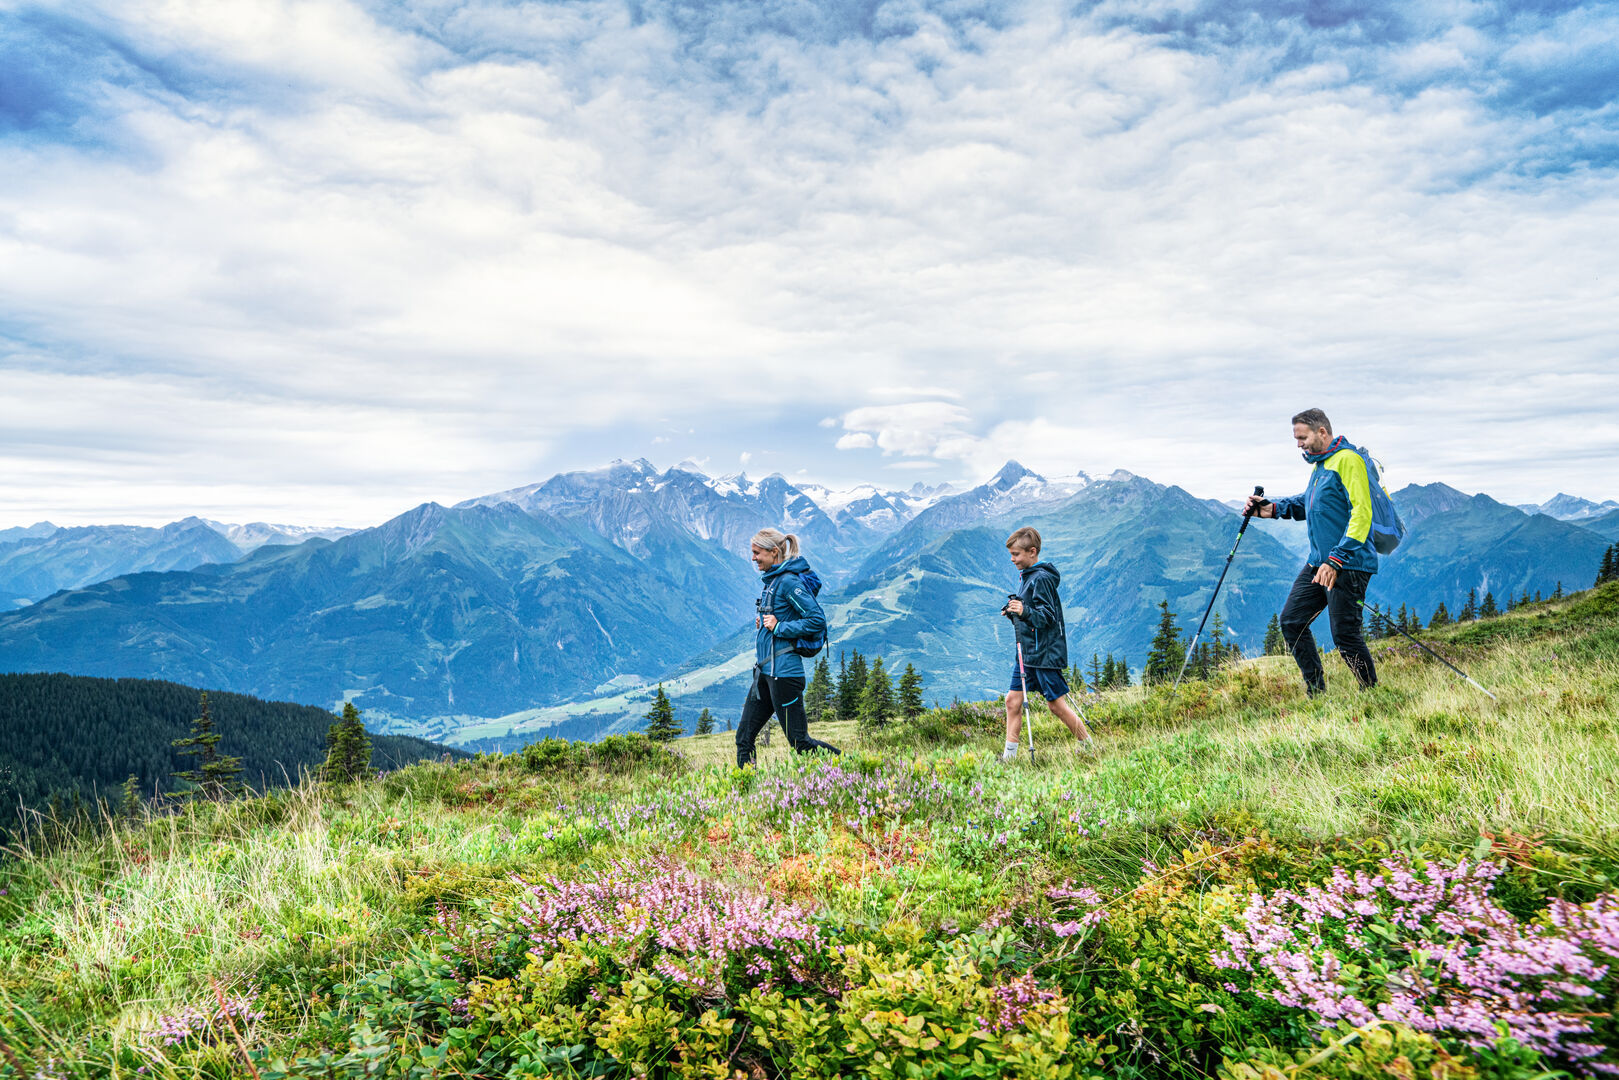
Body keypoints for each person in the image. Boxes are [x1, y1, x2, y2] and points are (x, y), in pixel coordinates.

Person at [1244, 408, 1379, 695]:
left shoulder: (1348, 461)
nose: (1299, 445)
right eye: (1296, 439)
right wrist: (1271, 509)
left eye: (1302, 437)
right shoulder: (1321, 465)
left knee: (1345, 635)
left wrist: (1337, 559)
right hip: (1319, 563)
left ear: (1322, 432)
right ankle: (1316, 692)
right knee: (1292, 620)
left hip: (1348, 564)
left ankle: (1372, 693)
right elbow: (1311, 503)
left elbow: (1362, 514)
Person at [735, 528, 840, 766]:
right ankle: (744, 792)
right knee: (744, 737)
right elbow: (779, 617)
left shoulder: (788, 582)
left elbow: (816, 620)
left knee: (799, 742)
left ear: (774, 552)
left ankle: (851, 768)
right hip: (765, 673)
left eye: (756, 553)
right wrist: (764, 623)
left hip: (784, 675)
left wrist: (780, 627)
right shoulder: (773, 581)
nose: (753, 558)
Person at [1001, 526, 1094, 761]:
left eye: (1016, 554)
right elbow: (1031, 611)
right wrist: (1014, 611)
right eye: (1011, 554)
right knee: (1012, 701)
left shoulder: (1041, 579)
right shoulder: (1028, 577)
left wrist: (1024, 610)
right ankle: (1008, 759)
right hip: (1027, 651)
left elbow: (1047, 617)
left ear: (1032, 552)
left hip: (1044, 653)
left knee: (1055, 704)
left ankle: (1089, 746)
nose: (1012, 559)